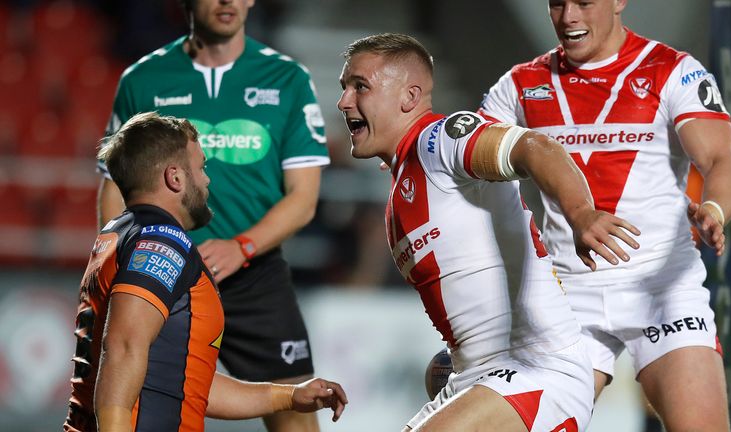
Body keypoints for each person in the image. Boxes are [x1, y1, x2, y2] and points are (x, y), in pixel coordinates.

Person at [337, 33, 641, 432]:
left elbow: (533, 146)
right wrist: (462, 359)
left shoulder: (439, 140)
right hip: (476, 378)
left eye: (360, 86)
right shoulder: (400, 184)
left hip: (536, 370)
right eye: (344, 88)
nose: (344, 101)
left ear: (409, 97)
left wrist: (581, 214)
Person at [479, 1, 731, 431]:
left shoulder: (672, 69)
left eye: (584, 2)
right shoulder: (520, 84)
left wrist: (713, 208)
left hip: (661, 294)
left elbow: (720, 160)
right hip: (566, 300)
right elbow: (467, 154)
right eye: (557, 3)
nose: (569, 17)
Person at [96, 1, 329, 430]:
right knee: (138, 393)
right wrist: (122, 264)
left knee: (295, 414)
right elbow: (115, 186)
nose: (227, 2)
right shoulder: (142, 79)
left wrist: (242, 246)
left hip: (254, 272)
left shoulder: (288, 79)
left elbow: (304, 199)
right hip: (162, 271)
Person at [65, 112, 347, 432]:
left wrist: (290, 396)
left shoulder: (120, 233)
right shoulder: (160, 242)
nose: (207, 180)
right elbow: (123, 347)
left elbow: (187, 382)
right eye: (201, 168)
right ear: (175, 177)